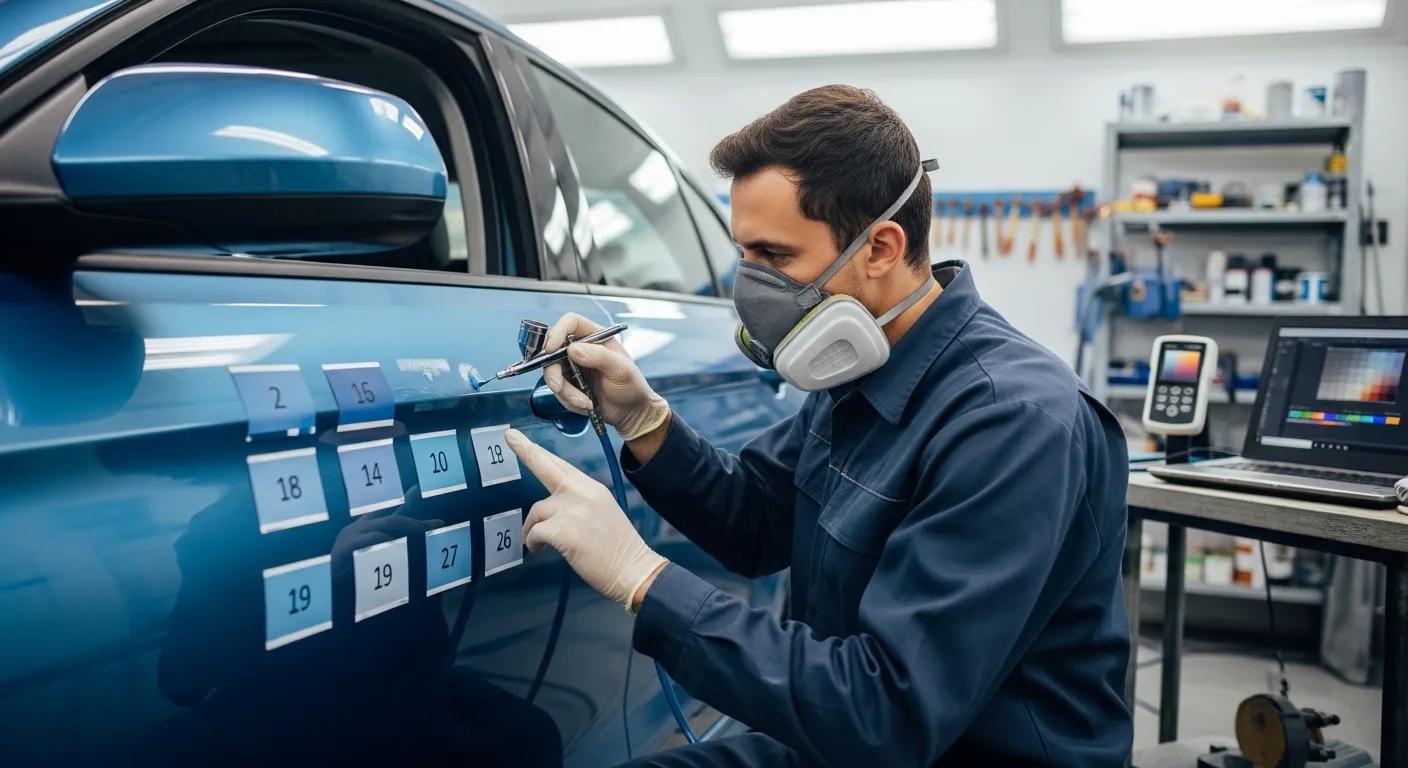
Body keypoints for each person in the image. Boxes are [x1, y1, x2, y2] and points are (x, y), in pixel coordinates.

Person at [503, 84, 1133, 766]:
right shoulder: (865, 370)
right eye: (743, 254)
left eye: (774, 257)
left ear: (882, 248)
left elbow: (890, 713)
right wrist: (644, 420)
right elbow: (756, 522)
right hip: (848, 737)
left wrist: (642, 577)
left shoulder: (1011, 420)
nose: (749, 287)